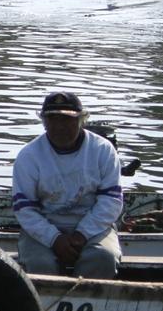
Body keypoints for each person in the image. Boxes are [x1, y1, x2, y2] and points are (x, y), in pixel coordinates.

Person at [12, 91, 123, 279]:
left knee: (103, 257)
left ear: (81, 120)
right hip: (44, 225)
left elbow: (111, 202)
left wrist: (82, 234)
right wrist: (54, 239)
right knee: (40, 264)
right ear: (44, 122)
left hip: (94, 225)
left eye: (66, 120)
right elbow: (25, 209)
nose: (59, 127)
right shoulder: (29, 156)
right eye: (52, 120)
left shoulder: (103, 150)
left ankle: (91, 304)